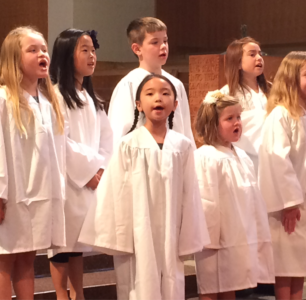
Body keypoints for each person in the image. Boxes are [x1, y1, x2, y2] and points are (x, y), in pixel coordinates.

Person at [84, 74, 209, 300]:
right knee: (139, 282)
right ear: (139, 105)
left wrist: (188, 232)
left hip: (172, 227)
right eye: (150, 94)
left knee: (171, 279)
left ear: (175, 104)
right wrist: (121, 235)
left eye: (165, 93)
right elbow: (116, 192)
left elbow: (190, 193)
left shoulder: (182, 146)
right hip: (137, 229)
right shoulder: (128, 145)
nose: (157, 98)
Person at [0, 26, 66, 300]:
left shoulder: (47, 103)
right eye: (32, 50)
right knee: (5, 257)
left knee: (27, 257)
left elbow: (53, 153)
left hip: (38, 194)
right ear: (14, 58)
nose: (42, 54)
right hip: (10, 193)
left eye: (44, 49)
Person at [258, 51, 306, 300]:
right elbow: (276, 158)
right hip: (289, 205)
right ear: (291, 78)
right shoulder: (281, 115)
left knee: (301, 261)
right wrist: (290, 202)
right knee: (286, 263)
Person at [48, 28, 113, 300]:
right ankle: (61, 295)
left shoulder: (91, 98)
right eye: (84, 50)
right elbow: (60, 141)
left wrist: (100, 169)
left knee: (78, 244)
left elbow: (107, 140)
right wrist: (89, 171)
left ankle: (79, 293)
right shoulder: (55, 96)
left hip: (89, 179)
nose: (92, 56)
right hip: (66, 178)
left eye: (93, 50)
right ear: (66, 55)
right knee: (62, 245)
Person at [194, 91, 274, 300]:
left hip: (237, 234)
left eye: (238, 117)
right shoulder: (206, 156)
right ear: (212, 123)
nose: (237, 122)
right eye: (229, 118)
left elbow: (252, 198)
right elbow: (205, 199)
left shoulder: (241, 155)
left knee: (231, 283)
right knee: (212, 286)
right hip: (215, 238)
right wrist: (209, 238)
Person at [108, 17, 195, 148]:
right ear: (137, 49)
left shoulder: (176, 84)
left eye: (165, 41)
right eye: (155, 42)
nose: (163, 46)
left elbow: (185, 130)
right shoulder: (129, 85)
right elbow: (119, 133)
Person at [220, 37, 270, 172]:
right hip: (242, 161)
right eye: (252, 54)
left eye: (260, 53)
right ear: (238, 63)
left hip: (271, 158)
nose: (259, 58)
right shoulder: (226, 94)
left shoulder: (272, 91)